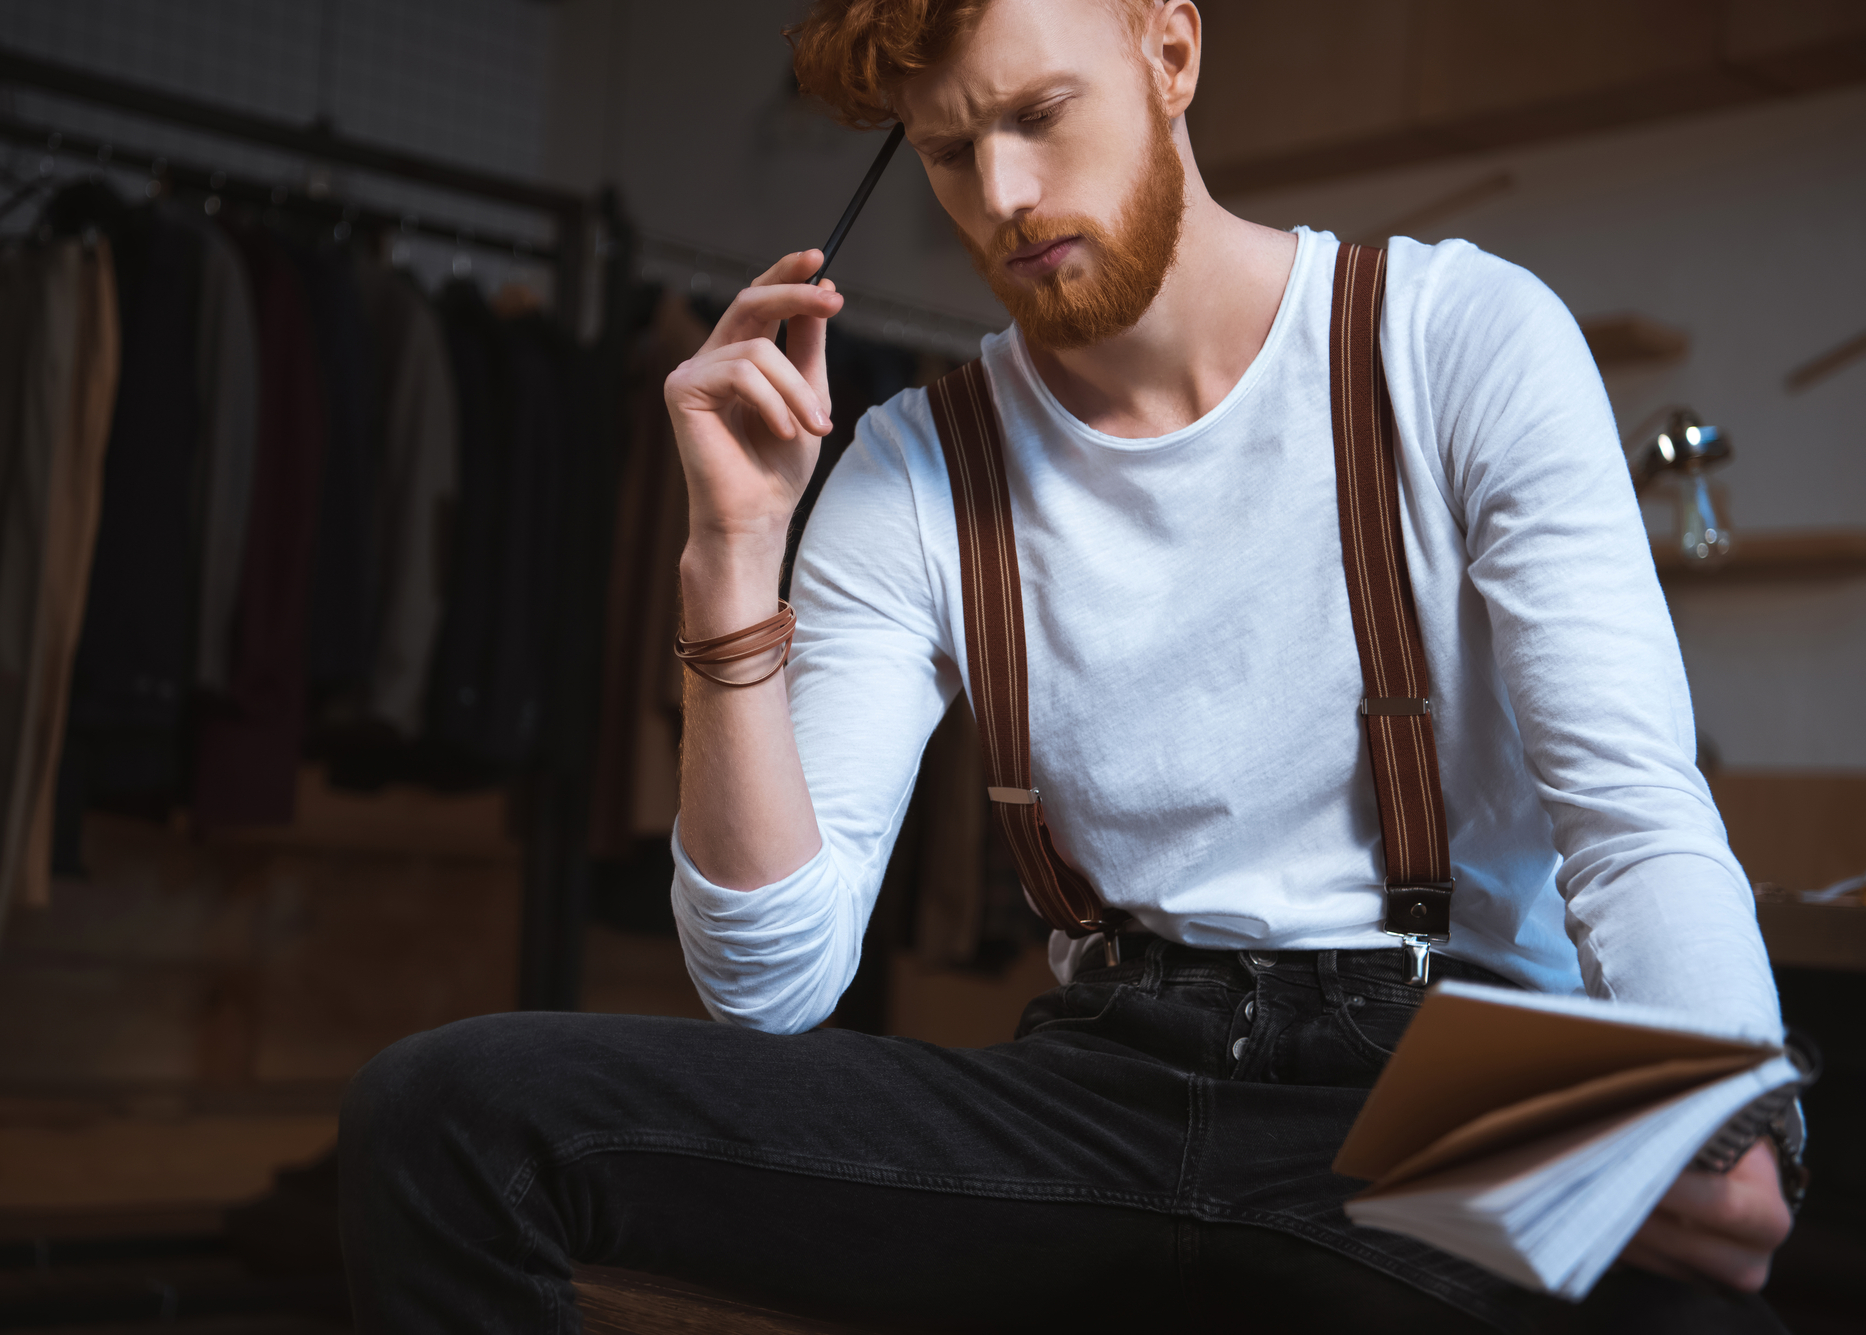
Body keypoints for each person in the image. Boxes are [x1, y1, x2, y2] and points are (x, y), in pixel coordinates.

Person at [338, 2, 1800, 1330]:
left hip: (1436, 1075)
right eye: (950, 153)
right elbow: (770, 988)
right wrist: (729, 556)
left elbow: (1633, 818)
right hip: (1096, 1082)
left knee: (1702, 1322)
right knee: (445, 1113)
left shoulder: (1457, 339)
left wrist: (1723, 1121)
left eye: (1039, 114)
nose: (1004, 200)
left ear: (1171, 52)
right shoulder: (915, 468)